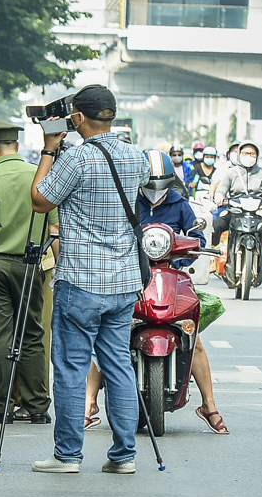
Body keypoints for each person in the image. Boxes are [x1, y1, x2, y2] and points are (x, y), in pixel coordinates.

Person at [30, 83, 148, 474]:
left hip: (80, 280)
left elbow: (40, 198)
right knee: (118, 365)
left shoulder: (76, 160)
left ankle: (67, 455)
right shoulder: (137, 156)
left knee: (70, 368)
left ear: (78, 117)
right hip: (123, 281)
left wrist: (49, 147)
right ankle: (124, 455)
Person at [83, 151, 229, 435]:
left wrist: (186, 252)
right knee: (104, 337)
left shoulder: (179, 204)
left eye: (161, 182)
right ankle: (90, 404)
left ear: (170, 182)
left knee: (194, 340)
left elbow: (197, 239)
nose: (154, 189)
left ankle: (209, 405)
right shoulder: (126, 202)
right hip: (128, 278)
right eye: (149, 182)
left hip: (170, 276)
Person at [0, 118, 54, 424]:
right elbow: (55, 226)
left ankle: (1, 406)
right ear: (16, 147)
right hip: (31, 264)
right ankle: (37, 407)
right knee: (33, 333)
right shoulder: (39, 177)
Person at [209, 141, 262, 278]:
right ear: (239, 155)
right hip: (235, 213)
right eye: (245, 153)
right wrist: (219, 197)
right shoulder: (230, 173)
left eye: (252, 153)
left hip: (258, 214)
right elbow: (222, 188)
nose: (248, 156)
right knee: (216, 225)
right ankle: (214, 259)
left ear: (257, 156)